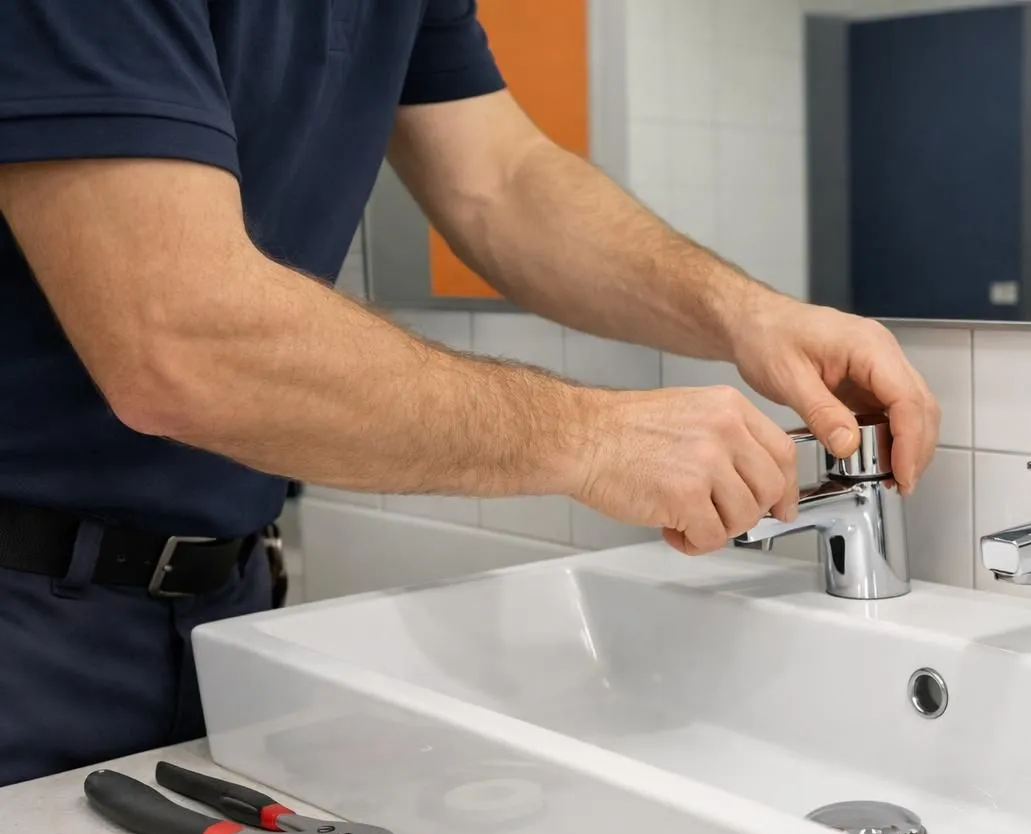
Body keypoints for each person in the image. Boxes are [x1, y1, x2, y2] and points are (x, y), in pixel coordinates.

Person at [0, 1, 939, 788]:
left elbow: (501, 182)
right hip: (23, 620)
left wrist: (748, 314)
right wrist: (592, 439)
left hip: (225, 600)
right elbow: (178, 338)